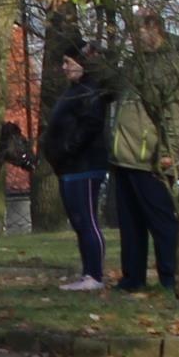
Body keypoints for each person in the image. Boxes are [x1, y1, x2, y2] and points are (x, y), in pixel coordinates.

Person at [107, 10, 179, 296]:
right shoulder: (134, 63)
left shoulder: (170, 65)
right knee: (130, 224)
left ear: (154, 28)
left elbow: (175, 112)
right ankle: (133, 277)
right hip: (125, 154)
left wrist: (169, 151)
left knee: (161, 220)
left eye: (137, 31)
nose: (133, 37)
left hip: (151, 157)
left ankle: (170, 277)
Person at [40, 45, 112, 291]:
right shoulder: (74, 91)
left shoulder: (90, 92)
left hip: (85, 165)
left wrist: (69, 147)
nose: (64, 67)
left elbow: (90, 125)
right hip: (68, 167)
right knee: (79, 221)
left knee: (88, 219)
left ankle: (95, 275)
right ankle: (87, 272)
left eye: (67, 61)